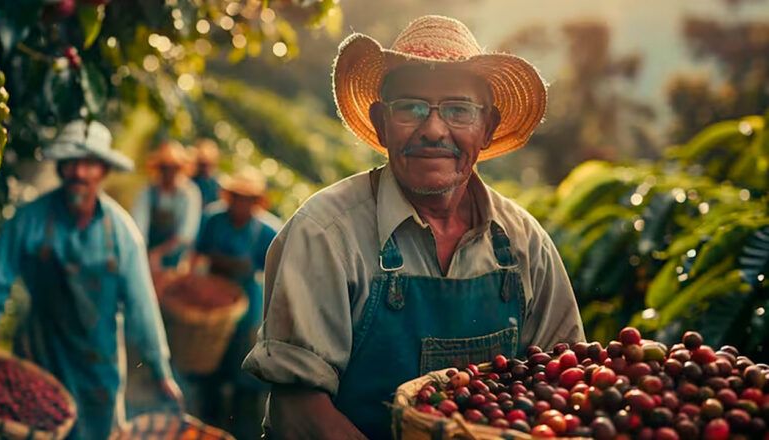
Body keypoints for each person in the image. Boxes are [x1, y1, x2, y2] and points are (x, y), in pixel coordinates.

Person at [243, 15, 586, 439]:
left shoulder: (524, 244)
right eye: (410, 107)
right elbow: (297, 408)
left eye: (458, 110)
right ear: (381, 123)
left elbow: (564, 381)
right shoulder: (325, 233)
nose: (434, 130)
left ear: (487, 128)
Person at [0, 120, 183, 440]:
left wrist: (160, 370)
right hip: (40, 352)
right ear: (60, 168)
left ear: (103, 171)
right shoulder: (31, 218)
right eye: (71, 163)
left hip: (97, 362)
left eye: (89, 164)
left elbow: (141, 306)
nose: (79, 173)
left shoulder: (121, 234)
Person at [190, 167, 281, 438]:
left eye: (247, 199)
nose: (241, 204)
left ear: (256, 202)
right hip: (213, 302)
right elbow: (197, 254)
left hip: (247, 306)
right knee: (209, 365)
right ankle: (208, 418)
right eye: (237, 197)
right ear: (230, 197)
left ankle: (239, 423)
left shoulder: (267, 231)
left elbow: (278, 274)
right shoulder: (214, 219)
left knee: (242, 365)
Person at [132, 141, 201, 271]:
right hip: (147, 251)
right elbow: (139, 226)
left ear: (180, 169)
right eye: (165, 168)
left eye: (173, 168)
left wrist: (159, 253)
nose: (169, 172)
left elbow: (186, 235)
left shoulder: (190, 193)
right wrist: (145, 253)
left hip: (177, 257)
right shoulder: (148, 192)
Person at [190, 138, 222, 208]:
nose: (205, 168)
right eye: (202, 164)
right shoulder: (189, 183)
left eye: (207, 164)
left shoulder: (217, 185)